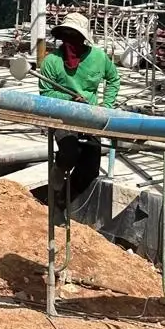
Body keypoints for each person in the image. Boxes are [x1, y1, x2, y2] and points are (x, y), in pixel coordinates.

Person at [38, 12, 120, 220]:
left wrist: (106, 107)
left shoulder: (98, 58)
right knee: (69, 152)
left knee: (90, 168)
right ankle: (58, 173)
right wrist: (69, 98)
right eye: (66, 37)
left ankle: (61, 203)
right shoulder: (52, 61)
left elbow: (113, 80)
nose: (70, 43)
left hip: (90, 117)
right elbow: (46, 93)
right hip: (62, 116)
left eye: (74, 36)